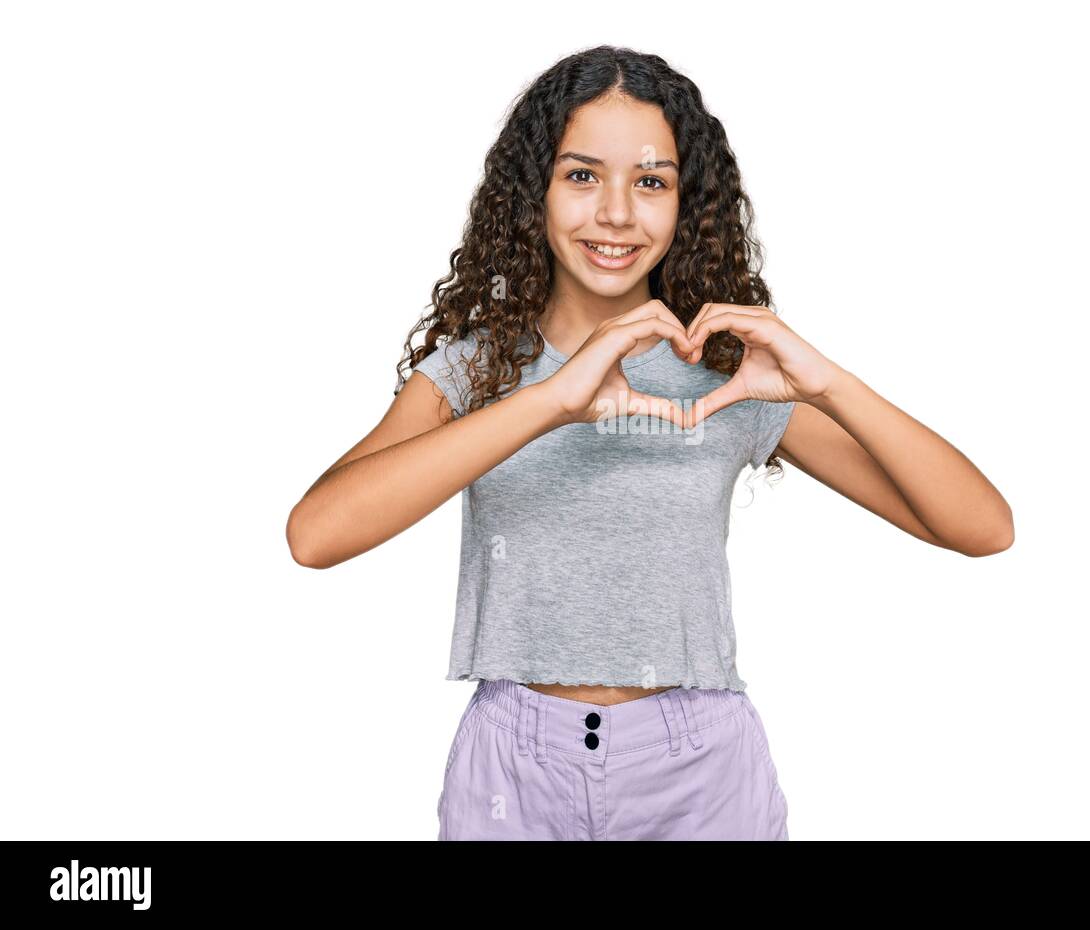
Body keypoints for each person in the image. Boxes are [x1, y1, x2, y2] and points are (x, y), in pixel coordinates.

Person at [286, 45, 1014, 840]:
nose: (618, 215)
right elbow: (316, 535)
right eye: (582, 175)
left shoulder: (729, 375)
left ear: (683, 201)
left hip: (698, 773)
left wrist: (829, 382)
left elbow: (981, 527)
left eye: (652, 182)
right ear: (535, 190)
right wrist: (551, 402)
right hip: (513, 769)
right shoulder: (477, 370)